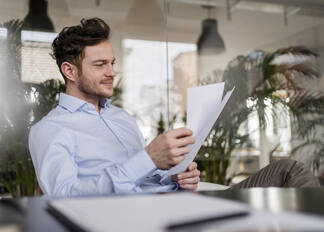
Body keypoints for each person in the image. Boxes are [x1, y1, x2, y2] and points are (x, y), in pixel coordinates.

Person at [29, 18, 320, 197]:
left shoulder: (120, 118)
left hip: (181, 199)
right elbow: (63, 196)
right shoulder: (50, 130)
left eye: (112, 63)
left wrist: (177, 176)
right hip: (151, 218)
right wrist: (147, 158)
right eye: (100, 64)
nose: (111, 72)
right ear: (70, 70)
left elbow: (144, 176)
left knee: (287, 169)